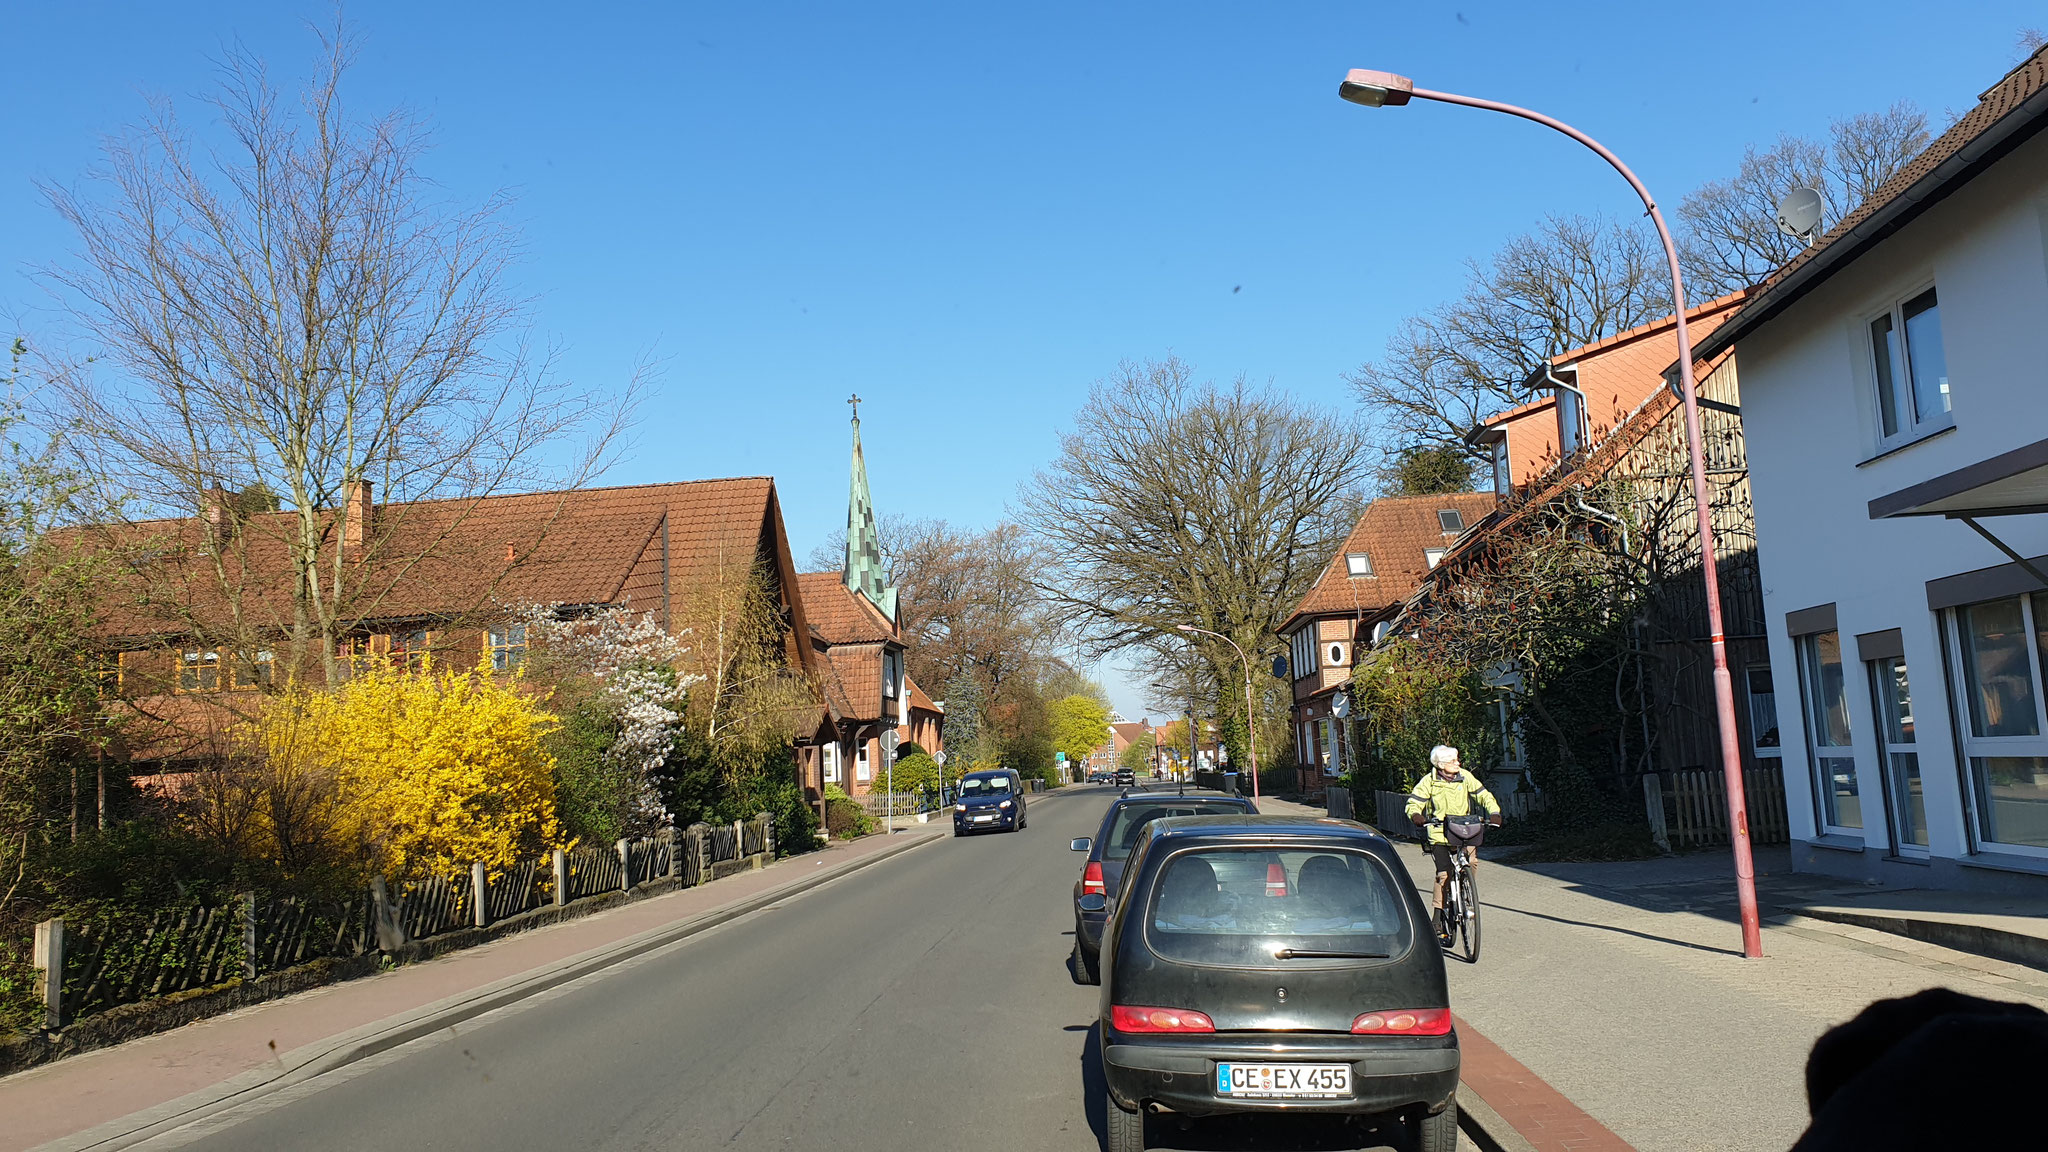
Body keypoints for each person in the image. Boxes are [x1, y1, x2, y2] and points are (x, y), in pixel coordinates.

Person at [1405, 744, 1500, 947]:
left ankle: (1466, 887)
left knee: (1472, 861)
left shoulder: (1465, 776)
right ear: (1441, 765)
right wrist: (1416, 815)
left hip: (1465, 830)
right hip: (1440, 833)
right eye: (1453, 761)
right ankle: (1438, 916)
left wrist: (1494, 813)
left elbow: (1483, 795)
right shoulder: (1429, 781)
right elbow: (1413, 802)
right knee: (1444, 873)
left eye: (1457, 760)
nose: (1458, 763)